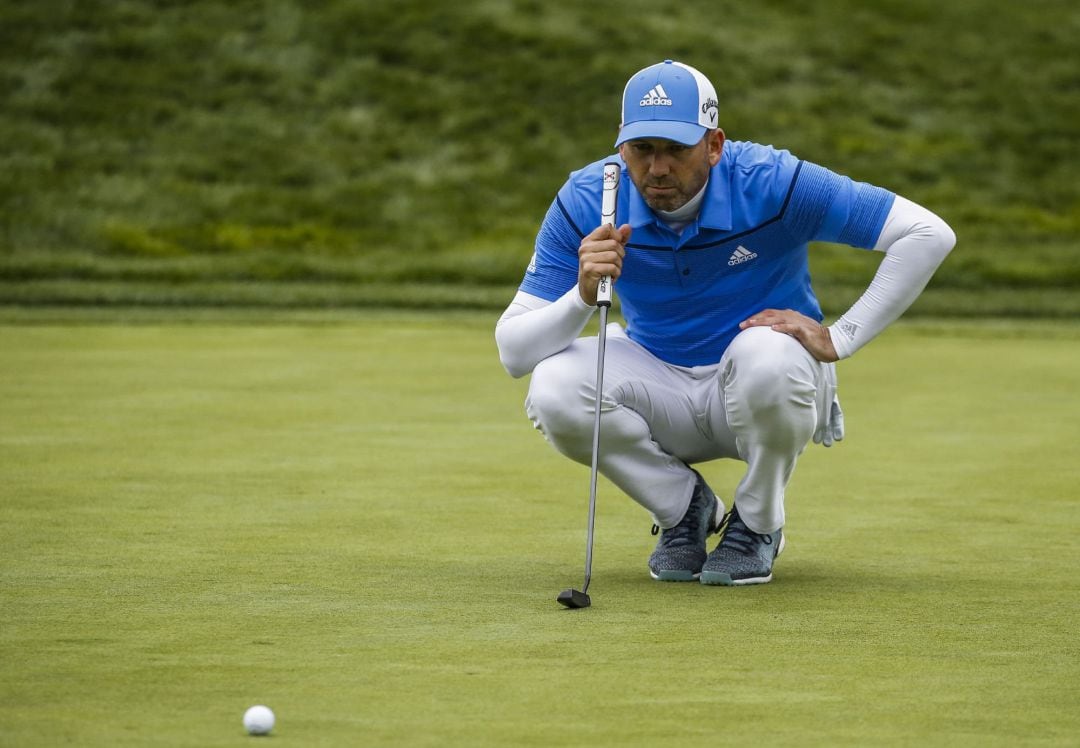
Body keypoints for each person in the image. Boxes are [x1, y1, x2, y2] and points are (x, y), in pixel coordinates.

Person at [495, 60, 955, 586]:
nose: (658, 168)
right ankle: (682, 509)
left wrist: (841, 336)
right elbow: (514, 352)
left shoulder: (773, 182)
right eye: (642, 150)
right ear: (621, 148)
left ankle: (757, 524)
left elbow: (926, 233)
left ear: (714, 145)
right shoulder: (587, 199)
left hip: (763, 382)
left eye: (676, 149)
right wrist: (581, 296)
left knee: (770, 356)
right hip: (659, 384)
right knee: (553, 385)